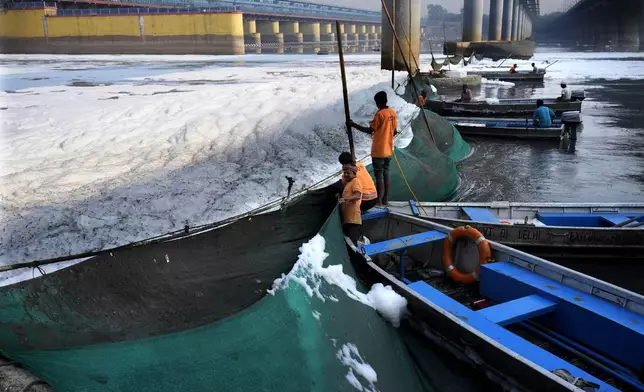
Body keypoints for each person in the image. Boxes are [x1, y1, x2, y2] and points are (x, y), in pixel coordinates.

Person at [347, 91, 398, 206]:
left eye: (376, 102)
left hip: (378, 151)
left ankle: (378, 201)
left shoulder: (380, 114)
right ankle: (385, 199)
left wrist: (353, 125)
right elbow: (394, 131)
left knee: (378, 176)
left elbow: (370, 130)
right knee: (386, 174)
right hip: (389, 151)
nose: (376, 104)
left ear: (379, 102)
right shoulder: (392, 113)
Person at [339, 166, 363, 244]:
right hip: (347, 220)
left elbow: (357, 195)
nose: (346, 174)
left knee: (352, 244)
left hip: (353, 220)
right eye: (344, 173)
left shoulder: (356, 181)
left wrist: (345, 199)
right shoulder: (348, 183)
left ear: (354, 174)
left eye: (348, 173)